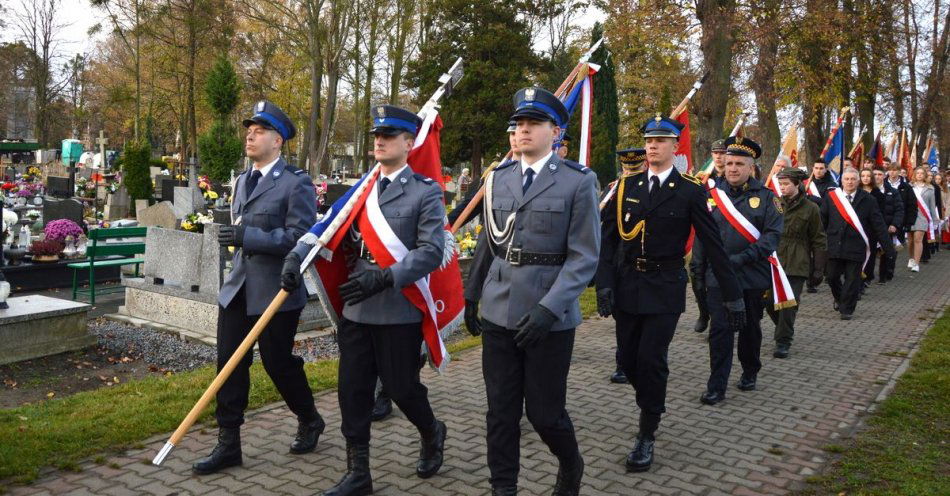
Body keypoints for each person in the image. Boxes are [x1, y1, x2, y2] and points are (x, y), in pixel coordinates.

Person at [284, 104, 449, 495]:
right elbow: (326, 229)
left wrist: (387, 277)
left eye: (389, 135)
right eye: (377, 134)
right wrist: (295, 258)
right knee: (352, 390)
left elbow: (430, 251)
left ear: (409, 143)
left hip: (398, 306)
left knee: (402, 388)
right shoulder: (361, 191)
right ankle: (358, 471)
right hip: (357, 304)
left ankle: (431, 430)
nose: (380, 140)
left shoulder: (426, 191)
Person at [464, 86, 599, 495]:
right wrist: (472, 296)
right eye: (518, 123)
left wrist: (549, 309)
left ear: (555, 131)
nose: (522, 130)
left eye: (533, 123)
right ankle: (503, 488)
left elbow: (584, 257)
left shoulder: (578, 182)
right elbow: (491, 242)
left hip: (547, 317)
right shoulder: (499, 178)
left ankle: (571, 464)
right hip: (499, 310)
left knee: (545, 414)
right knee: (500, 413)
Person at [596, 116, 745, 472]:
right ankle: (649, 398)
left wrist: (732, 294)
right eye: (649, 140)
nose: (652, 146)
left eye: (661, 140)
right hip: (629, 283)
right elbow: (608, 242)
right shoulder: (625, 187)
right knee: (628, 361)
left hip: (664, 286)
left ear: (674, 147)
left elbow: (714, 245)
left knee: (651, 359)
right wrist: (604, 283)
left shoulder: (691, 190)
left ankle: (647, 432)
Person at [195, 101, 324, 475]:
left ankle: (310, 418)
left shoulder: (295, 182)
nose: (250, 134)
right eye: (249, 129)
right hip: (238, 288)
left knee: (278, 364)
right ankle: (228, 443)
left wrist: (246, 236)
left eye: (260, 130)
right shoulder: (241, 179)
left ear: (278, 140)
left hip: (277, 290)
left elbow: (301, 237)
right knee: (229, 364)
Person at [692, 136, 781, 404]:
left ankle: (750, 369)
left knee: (750, 329)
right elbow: (701, 237)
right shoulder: (710, 197)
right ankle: (716, 385)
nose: (732, 168)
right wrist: (699, 269)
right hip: (718, 279)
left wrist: (742, 258)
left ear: (751, 167)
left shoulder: (767, 199)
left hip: (752, 277)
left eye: (739, 164)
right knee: (720, 331)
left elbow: (772, 237)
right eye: (729, 163)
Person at [766, 168, 827, 359]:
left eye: (786, 184)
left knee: (788, 305)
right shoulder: (774, 204)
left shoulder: (811, 209)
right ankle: (785, 327)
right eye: (781, 184)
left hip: (797, 262)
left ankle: (783, 341)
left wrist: (818, 269)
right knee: (769, 302)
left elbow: (819, 239)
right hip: (773, 260)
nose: (782, 187)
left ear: (797, 184)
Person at [820, 167, 895, 319]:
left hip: (856, 246)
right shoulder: (831, 197)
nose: (849, 182)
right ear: (841, 181)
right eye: (846, 179)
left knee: (852, 279)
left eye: (853, 179)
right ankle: (840, 298)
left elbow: (878, 224)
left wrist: (888, 248)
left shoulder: (868, 200)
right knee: (832, 277)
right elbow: (822, 221)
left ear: (858, 181)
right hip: (835, 244)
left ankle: (847, 309)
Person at [601, 147, 647, 385]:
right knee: (623, 317)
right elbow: (605, 233)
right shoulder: (612, 191)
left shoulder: (651, 190)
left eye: (635, 169)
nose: (630, 173)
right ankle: (623, 362)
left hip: (644, 260)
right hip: (620, 264)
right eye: (627, 169)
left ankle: (645, 358)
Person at [688, 138, 728, 332]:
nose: (719, 156)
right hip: (704, 231)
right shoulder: (703, 177)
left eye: (722, 153)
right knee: (696, 272)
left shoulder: (733, 176)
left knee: (720, 274)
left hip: (726, 232)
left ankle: (720, 314)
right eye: (716, 153)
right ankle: (704, 312)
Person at [906, 166, 939, 272]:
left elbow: (932, 205)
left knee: (918, 239)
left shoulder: (930, 188)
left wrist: (935, 220)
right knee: (910, 240)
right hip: (910, 216)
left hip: (923, 217)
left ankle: (916, 263)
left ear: (925, 175)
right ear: (914, 175)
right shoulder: (909, 186)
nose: (919, 175)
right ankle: (911, 258)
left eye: (921, 173)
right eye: (917, 173)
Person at [884, 162, 918, 247]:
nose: (892, 172)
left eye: (895, 170)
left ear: (899, 172)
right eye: (890, 170)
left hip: (900, 221)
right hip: (885, 220)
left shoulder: (906, 187)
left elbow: (912, 205)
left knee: (896, 248)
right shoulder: (883, 184)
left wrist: (909, 223)